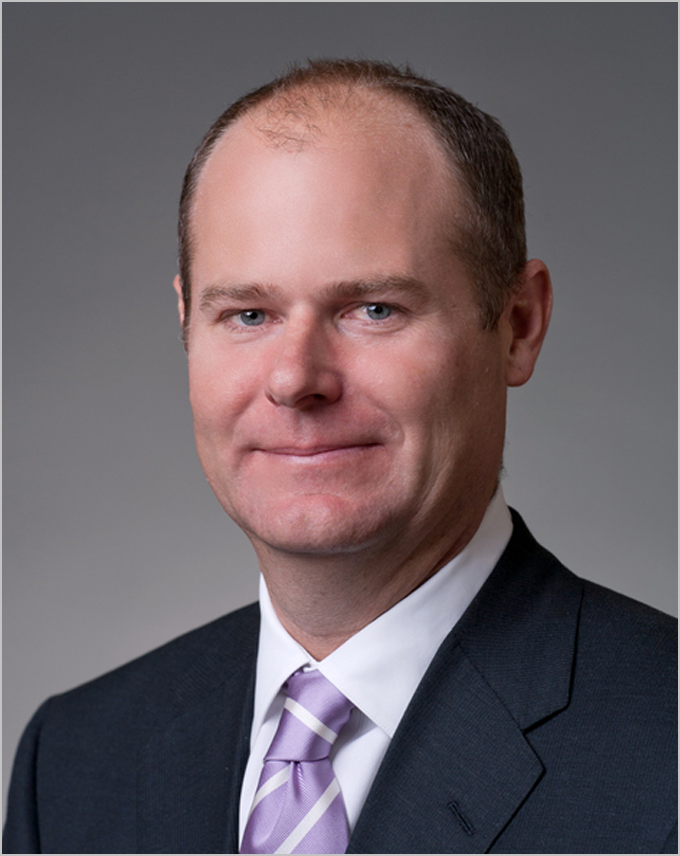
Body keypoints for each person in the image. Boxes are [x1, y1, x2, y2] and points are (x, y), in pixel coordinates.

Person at [4, 59, 676, 855]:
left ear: (519, 324)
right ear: (185, 323)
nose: (296, 380)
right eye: (248, 314)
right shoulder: (75, 763)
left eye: (373, 309)